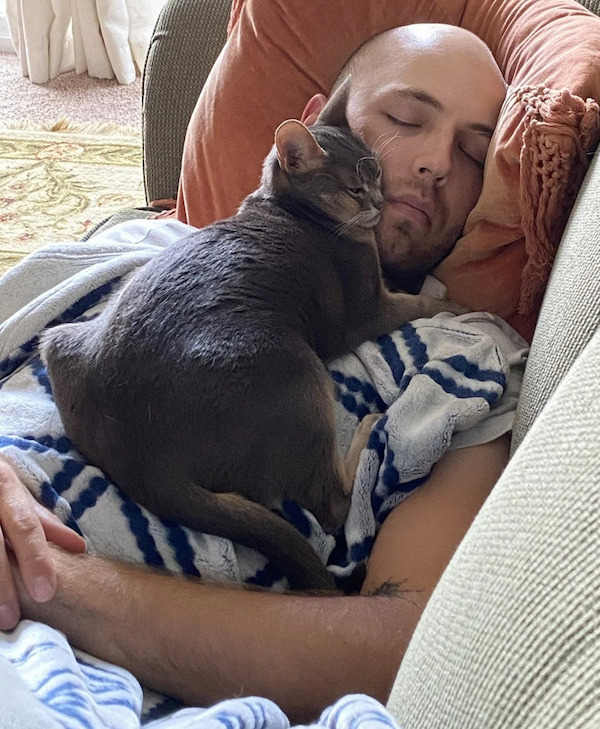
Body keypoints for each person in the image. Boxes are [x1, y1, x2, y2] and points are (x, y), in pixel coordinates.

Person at [0, 23, 513, 723]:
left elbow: (401, 650)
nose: (433, 163)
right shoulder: (128, 245)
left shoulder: (468, 357)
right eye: (404, 118)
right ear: (314, 130)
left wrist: (42, 579)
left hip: (68, 656)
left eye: (475, 152)